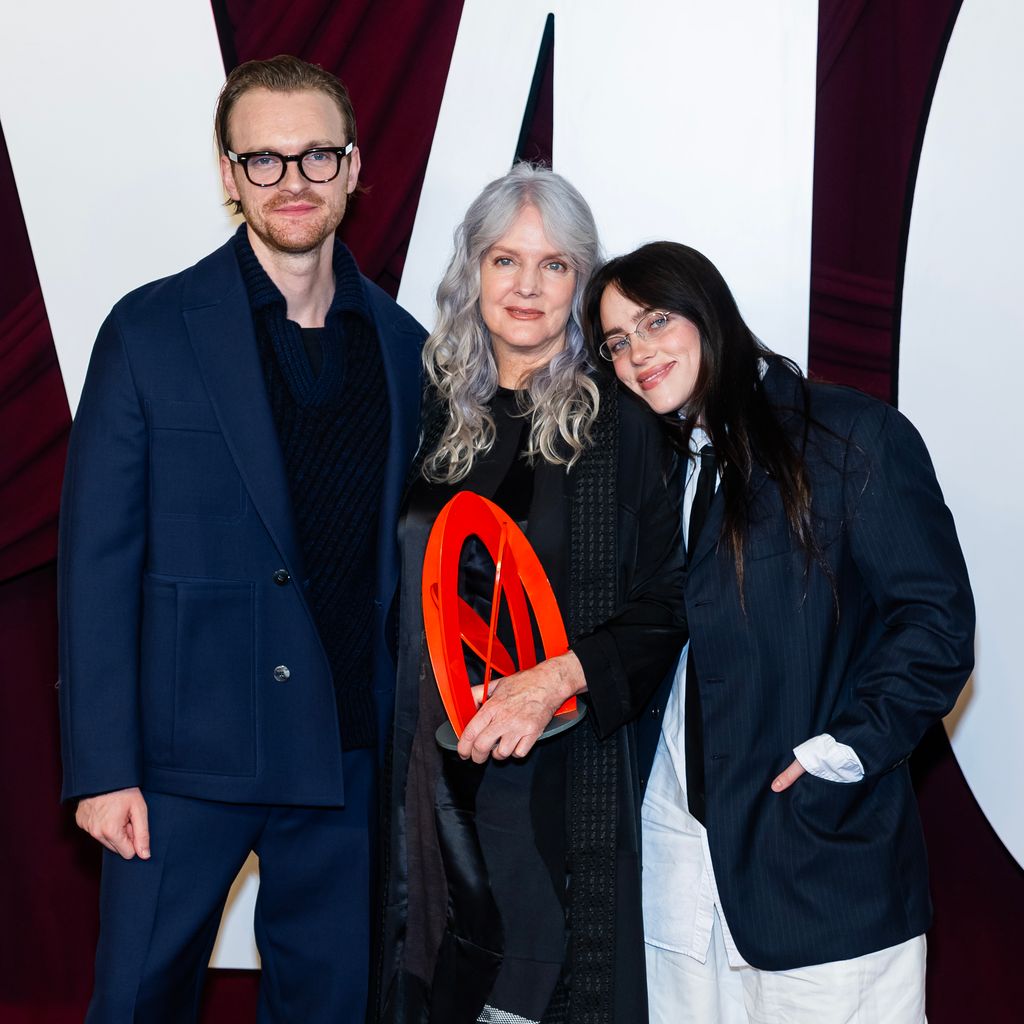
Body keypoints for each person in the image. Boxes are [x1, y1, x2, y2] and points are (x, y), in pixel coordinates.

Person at [58, 55, 425, 1021]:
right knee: (137, 1000)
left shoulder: (403, 348)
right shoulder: (149, 330)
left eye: (315, 156)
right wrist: (104, 768)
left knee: (333, 1007)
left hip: (344, 752)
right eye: (263, 159)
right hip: (184, 758)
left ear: (353, 167)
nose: (291, 180)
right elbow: (96, 564)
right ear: (228, 175)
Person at [581, 241, 975, 1024]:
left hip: (819, 870)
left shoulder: (849, 435)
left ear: (711, 312)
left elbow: (935, 622)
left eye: (655, 319)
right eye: (618, 342)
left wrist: (844, 750)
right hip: (678, 877)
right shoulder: (655, 467)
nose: (637, 353)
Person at [377, 165, 687, 1024]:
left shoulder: (623, 424)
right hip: (421, 779)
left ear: (581, 284)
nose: (526, 286)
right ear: (471, 270)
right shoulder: (424, 406)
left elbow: (666, 608)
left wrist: (555, 678)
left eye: (554, 266)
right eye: (505, 259)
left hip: (552, 779)